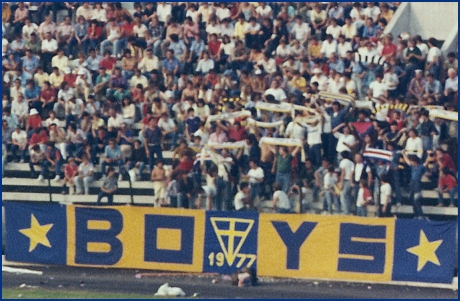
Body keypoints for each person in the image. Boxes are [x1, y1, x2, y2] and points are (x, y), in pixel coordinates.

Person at [402, 151, 426, 219]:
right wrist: (403, 154)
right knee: (412, 199)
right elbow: (407, 161)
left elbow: (426, 164)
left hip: (417, 183)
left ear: (415, 161)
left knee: (416, 199)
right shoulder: (412, 167)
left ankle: (420, 215)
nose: (411, 162)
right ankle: (415, 214)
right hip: (412, 183)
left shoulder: (420, 167)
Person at [338, 151, 355, 215]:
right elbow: (352, 172)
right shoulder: (351, 163)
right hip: (350, 180)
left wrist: (341, 183)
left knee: (343, 196)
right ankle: (348, 210)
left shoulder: (343, 162)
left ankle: (346, 212)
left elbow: (343, 173)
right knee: (347, 196)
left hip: (345, 180)